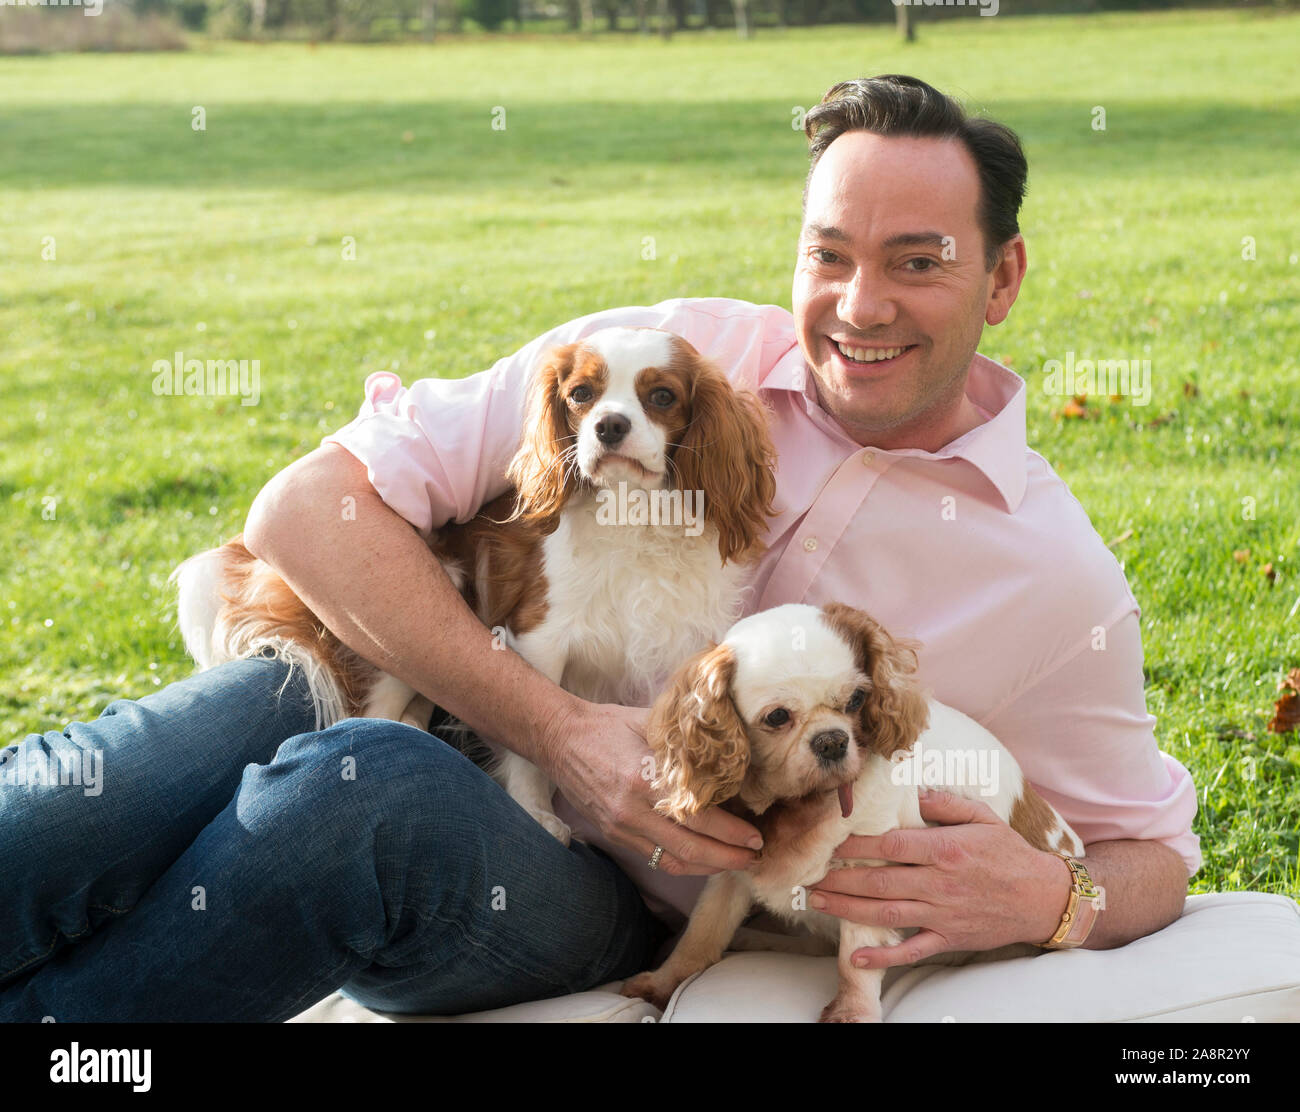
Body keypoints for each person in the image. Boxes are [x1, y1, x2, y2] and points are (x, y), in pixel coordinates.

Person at [0, 74, 1196, 1022]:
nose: (858, 304)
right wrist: (559, 729)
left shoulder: (1052, 571)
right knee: (194, 740)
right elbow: (304, 509)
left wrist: (1062, 894)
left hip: (599, 896)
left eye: (916, 261)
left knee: (362, 794)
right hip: (486, 714)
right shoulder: (662, 355)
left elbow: (1157, 852)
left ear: (1003, 278)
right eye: (827, 252)